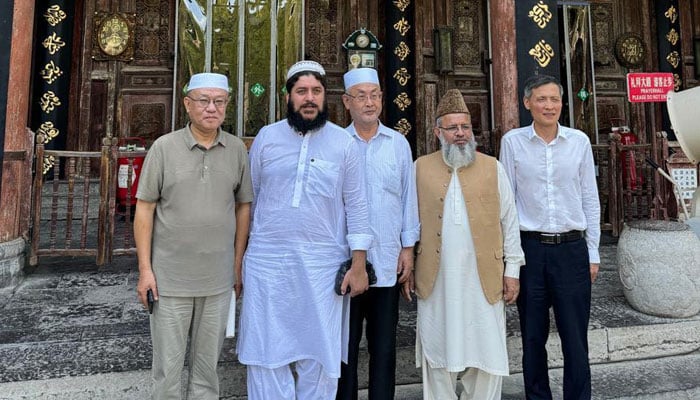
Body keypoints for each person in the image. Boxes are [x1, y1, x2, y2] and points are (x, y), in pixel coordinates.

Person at [237, 60, 373, 400]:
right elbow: (248, 203)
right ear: (288, 97)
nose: (309, 98)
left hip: (322, 265)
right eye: (301, 91)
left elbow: (357, 206)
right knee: (266, 355)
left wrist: (358, 265)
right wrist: (237, 262)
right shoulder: (267, 138)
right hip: (267, 263)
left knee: (320, 355)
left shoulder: (344, 144)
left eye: (316, 91)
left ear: (326, 97)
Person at [134, 72, 253, 400]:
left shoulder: (236, 152)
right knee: (167, 372)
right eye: (203, 100)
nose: (211, 108)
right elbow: (144, 210)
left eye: (219, 101)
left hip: (217, 282)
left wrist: (237, 262)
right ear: (187, 105)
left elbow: (244, 207)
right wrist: (145, 270)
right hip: (169, 281)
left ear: (227, 106)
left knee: (206, 372)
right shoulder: (164, 148)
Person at [413, 89, 525, 400]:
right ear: (438, 132)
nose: (461, 134)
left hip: (483, 277)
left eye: (465, 127)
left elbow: (510, 220)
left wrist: (512, 269)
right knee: (437, 350)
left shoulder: (492, 167)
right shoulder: (420, 167)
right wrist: (407, 264)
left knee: (486, 350)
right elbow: (409, 224)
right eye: (452, 128)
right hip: (437, 280)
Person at [499, 74, 601, 400]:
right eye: (541, 99)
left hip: (572, 250)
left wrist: (594, 252)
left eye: (554, 99)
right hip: (531, 250)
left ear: (562, 103)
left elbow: (590, 199)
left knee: (575, 338)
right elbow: (507, 205)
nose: (549, 105)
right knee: (532, 338)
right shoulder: (513, 142)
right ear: (528, 103)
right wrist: (510, 261)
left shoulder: (579, 142)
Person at [336, 68, 420, 400]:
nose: (369, 102)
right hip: (345, 265)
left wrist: (408, 249)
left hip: (387, 261)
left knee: (384, 347)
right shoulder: (336, 144)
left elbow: (407, 199)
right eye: (361, 95)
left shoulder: (398, 144)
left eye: (375, 95)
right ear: (346, 102)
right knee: (345, 348)